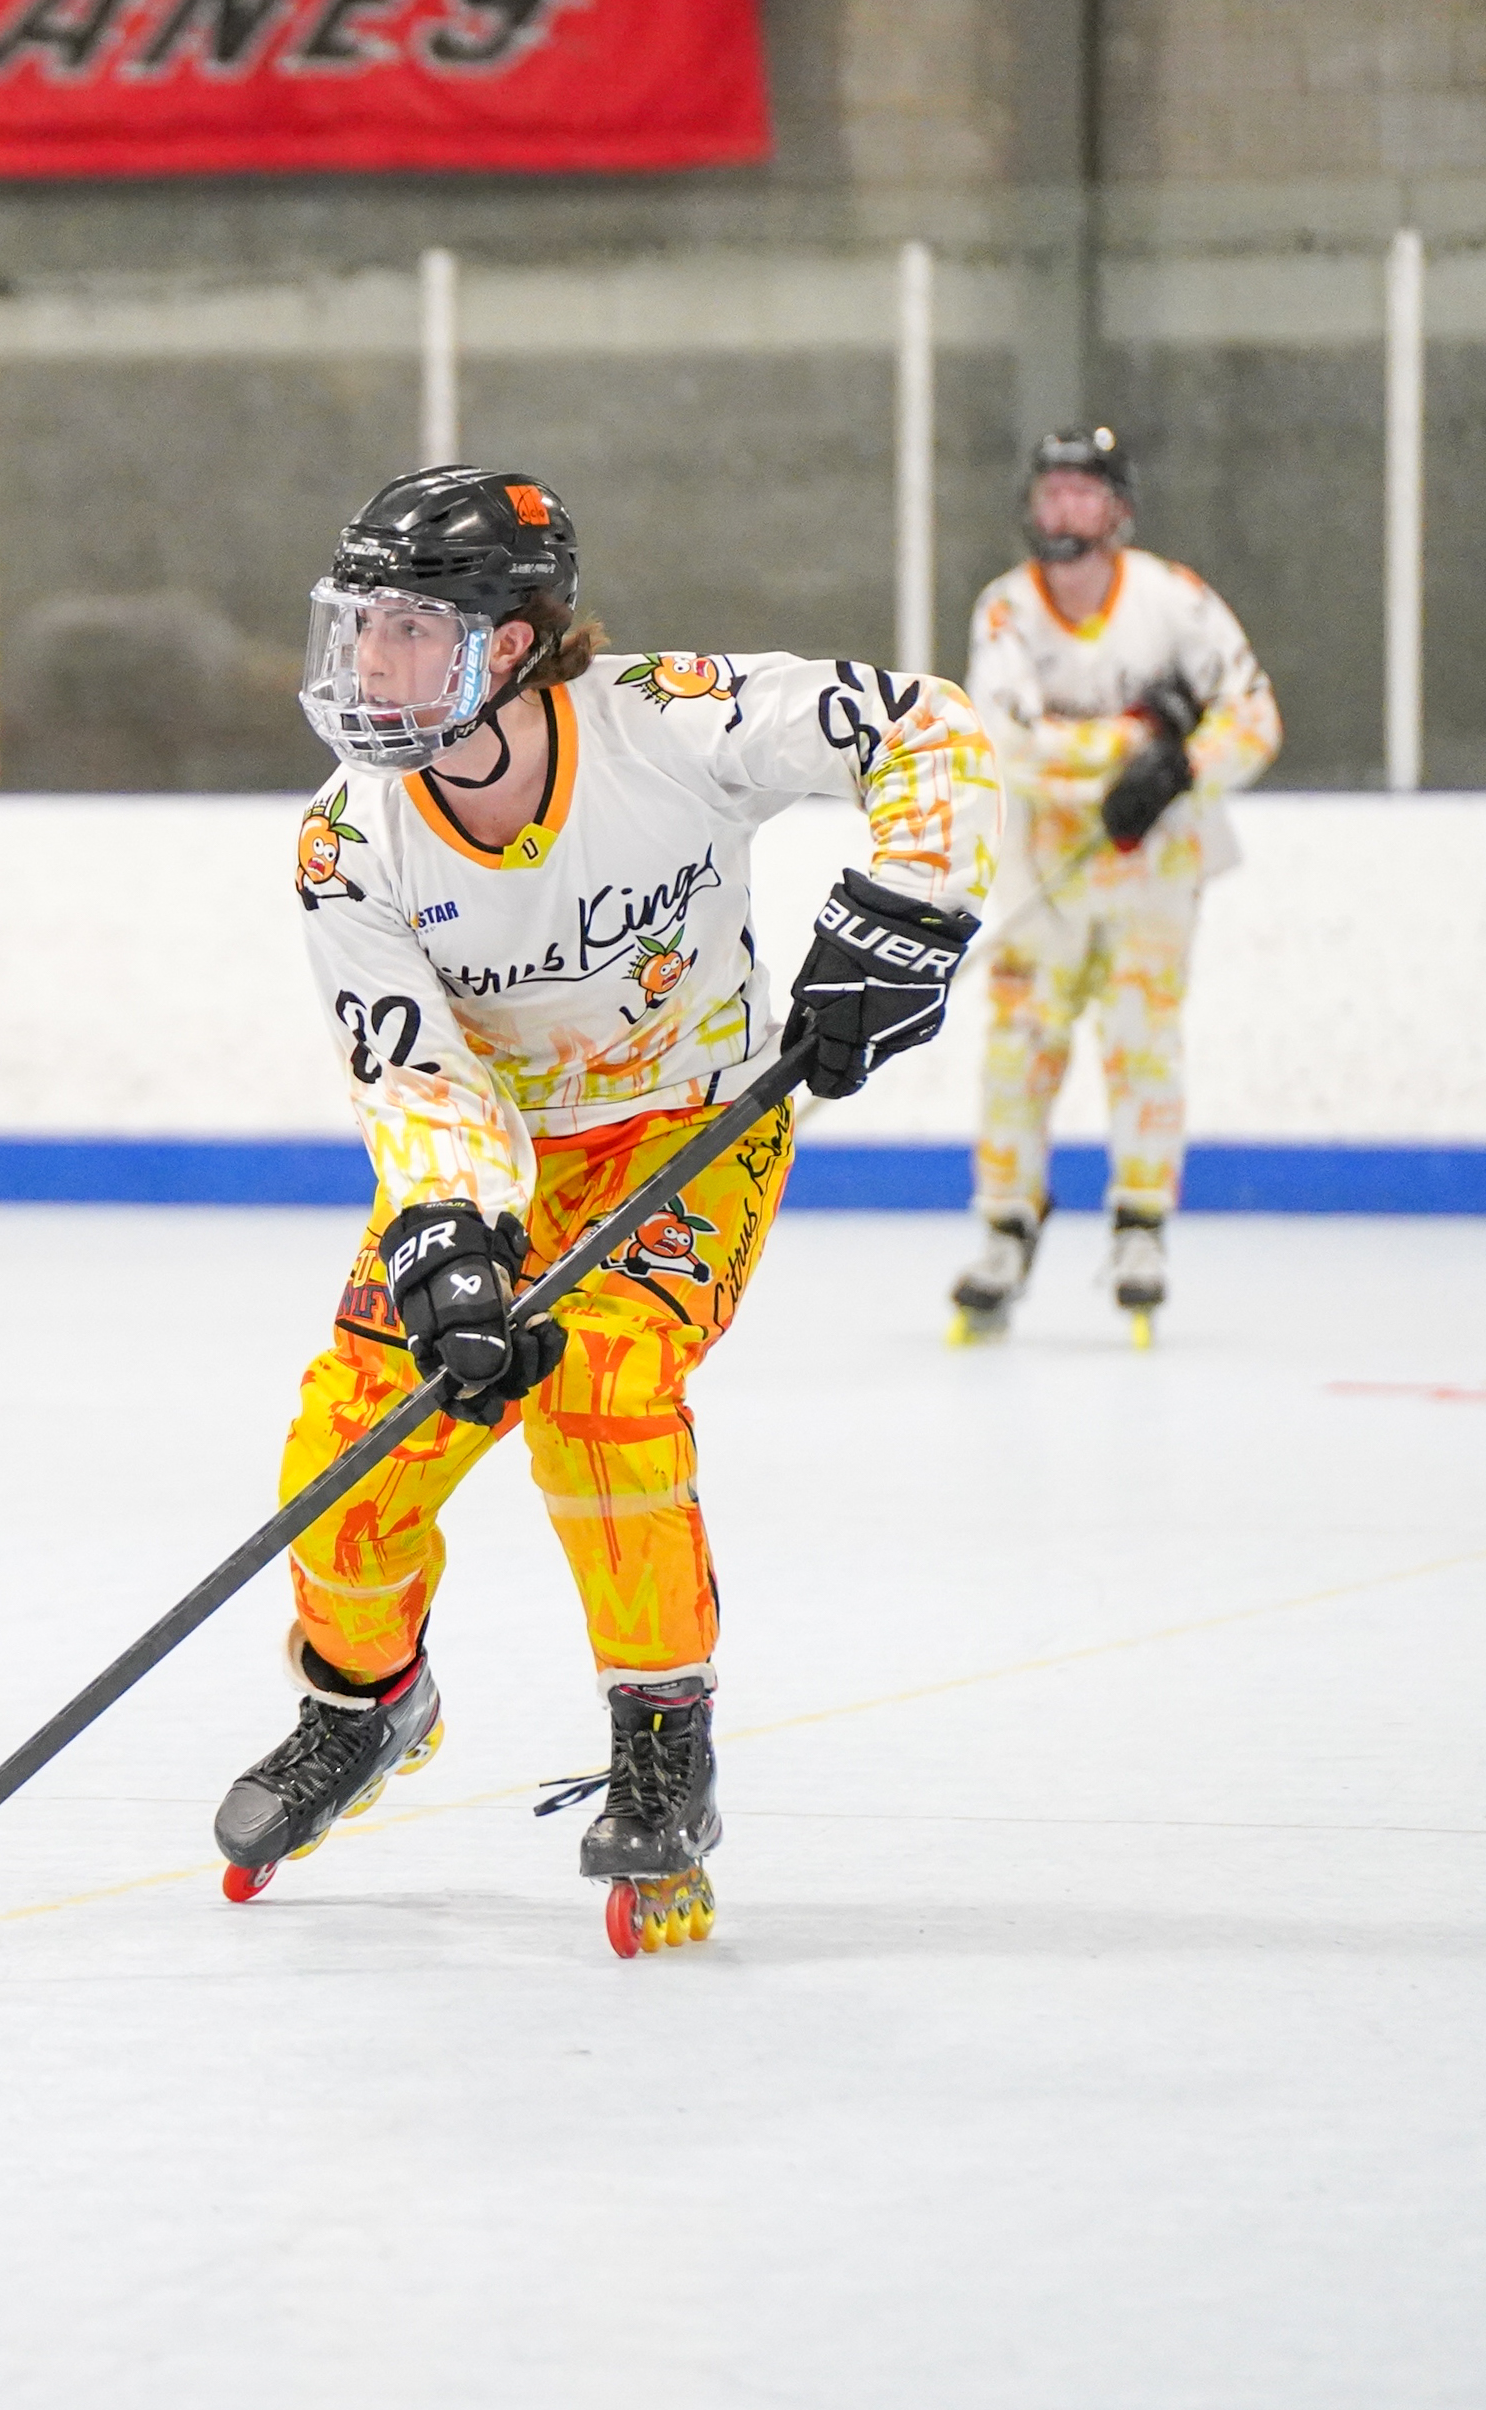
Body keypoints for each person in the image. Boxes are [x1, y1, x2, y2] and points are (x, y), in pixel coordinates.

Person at [219, 465, 997, 1957]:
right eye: (356, 628)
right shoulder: (345, 843)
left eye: (409, 632)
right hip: (499, 1151)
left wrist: (905, 910)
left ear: (513, 643)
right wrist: (449, 1236)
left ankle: (661, 1737)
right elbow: (418, 1078)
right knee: (345, 1445)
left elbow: (925, 726)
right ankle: (361, 1702)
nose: (368, 667)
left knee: (601, 1384)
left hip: (685, 1131)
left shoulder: (672, 718)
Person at [950, 429, 1283, 1344]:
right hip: (1046, 872)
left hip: (1156, 872)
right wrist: (1141, 743)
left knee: (1144, 1045)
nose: (1063, 509)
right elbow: (1007, 739)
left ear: (1117, 508)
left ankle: (1142, 1225)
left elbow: (1255, 717)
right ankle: (1006, 1226)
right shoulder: (1007, 611)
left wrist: (1182, 771)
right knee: (1021, 1047)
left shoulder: (1176, 603)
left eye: (1081, 492)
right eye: (1049, 491)